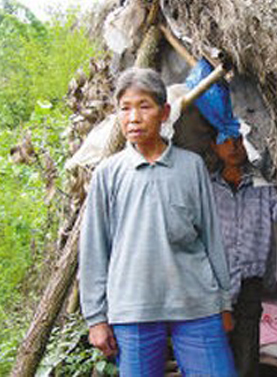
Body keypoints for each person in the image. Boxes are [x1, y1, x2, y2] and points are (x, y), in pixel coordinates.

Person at [79, 67, 237, 377]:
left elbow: (211, 238)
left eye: (144, 106)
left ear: (164, 112)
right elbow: (95, 249)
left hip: (197, 303)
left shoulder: (191, 167)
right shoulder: (108, 174)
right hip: (133, 306)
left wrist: (223, 302)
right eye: (125, 108)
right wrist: (96, 318)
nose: (134, 117)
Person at [211, 134, 277, 377]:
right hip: (214, 282)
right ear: (213, 147)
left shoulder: (262, 185)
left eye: (238, 140)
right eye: (225, 141)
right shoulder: (207, 185)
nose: (233, 147)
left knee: (247, 353)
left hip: (250, 280)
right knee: (216, 349)